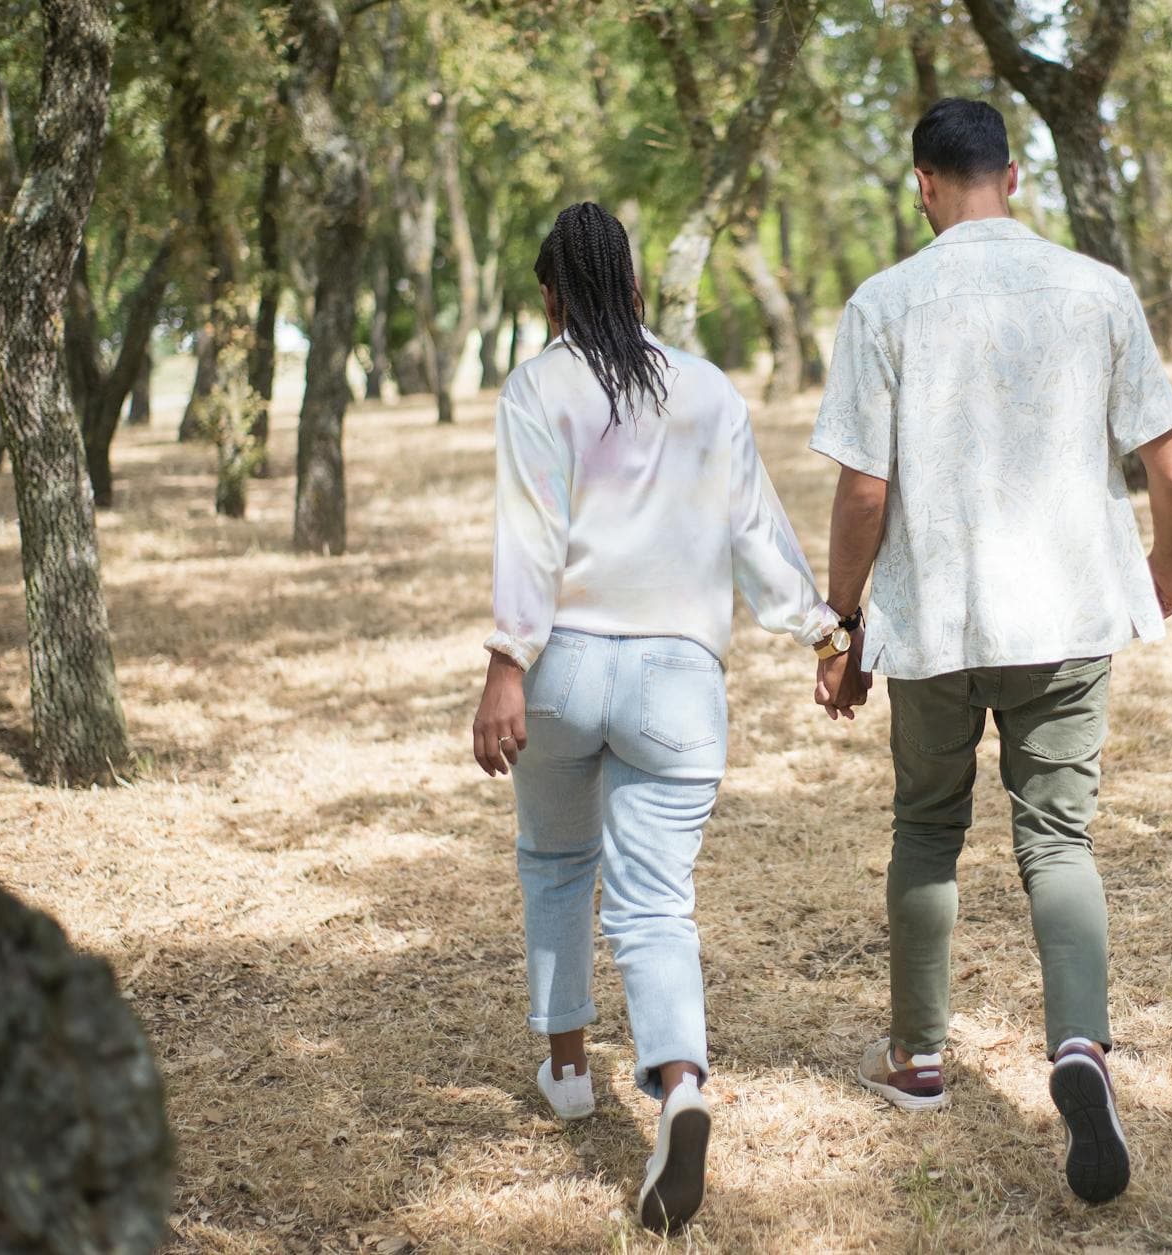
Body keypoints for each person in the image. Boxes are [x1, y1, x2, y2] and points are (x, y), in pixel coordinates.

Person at [808, 98, 1172, 1205]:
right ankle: (1079, 1047)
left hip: (933, 625)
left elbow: (863, 489)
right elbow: (1171, 471)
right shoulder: (1097, 291)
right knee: (1057, 839)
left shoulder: (883, 303)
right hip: (1066, 619)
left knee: (926, 831)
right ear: (1013, 177)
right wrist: (1159, 569)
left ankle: (917, 1057)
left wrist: (842, 628)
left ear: (922, 184)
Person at [470, 201, 856, 1233]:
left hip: (564, 673)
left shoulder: (536, 387)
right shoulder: (706, 390)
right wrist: (822, 633)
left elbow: (530, 539)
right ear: (636, 289)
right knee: (654, 904)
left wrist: (505, 667)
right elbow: (756, 534)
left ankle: (565, 1067)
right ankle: (679, 1083)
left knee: (555, 864)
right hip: (680, 682)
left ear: (549, 297)